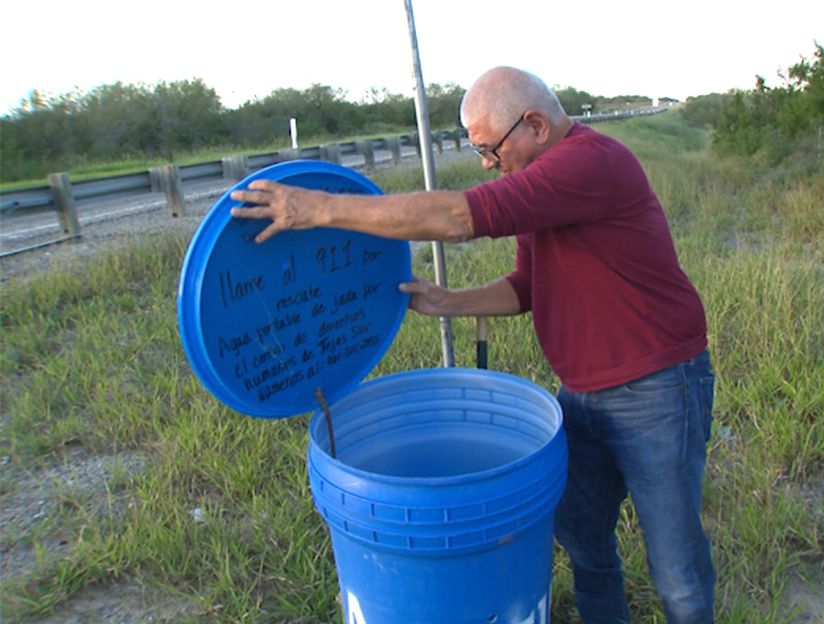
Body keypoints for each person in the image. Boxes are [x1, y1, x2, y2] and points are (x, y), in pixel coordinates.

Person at [230, 66, 716, 624]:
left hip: (654, 386)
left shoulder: (591, 162)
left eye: (489, 148)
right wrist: (449, 301)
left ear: (533, 123)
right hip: (580, 392)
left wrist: (316, 209)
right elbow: (528, 286)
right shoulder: (544, 183)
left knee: (676, 568)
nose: (487, 163)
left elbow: (459, 218)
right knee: (585, 542)